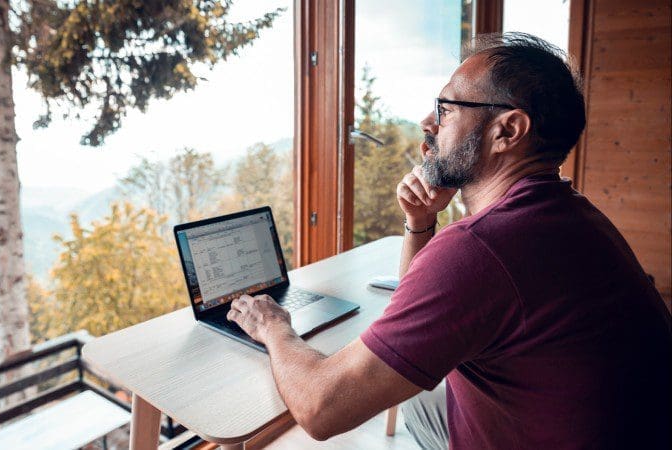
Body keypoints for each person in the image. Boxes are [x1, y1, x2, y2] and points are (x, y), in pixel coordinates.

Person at [226, 32, 671, 449]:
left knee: (384, 389)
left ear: (508, 131)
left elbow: (321, 409)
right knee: (413, 389)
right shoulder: (570, 212)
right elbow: (415, 311)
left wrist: (274, 326)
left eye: (446, 109)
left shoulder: (481, 249)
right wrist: (420, 223)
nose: (427, 123)